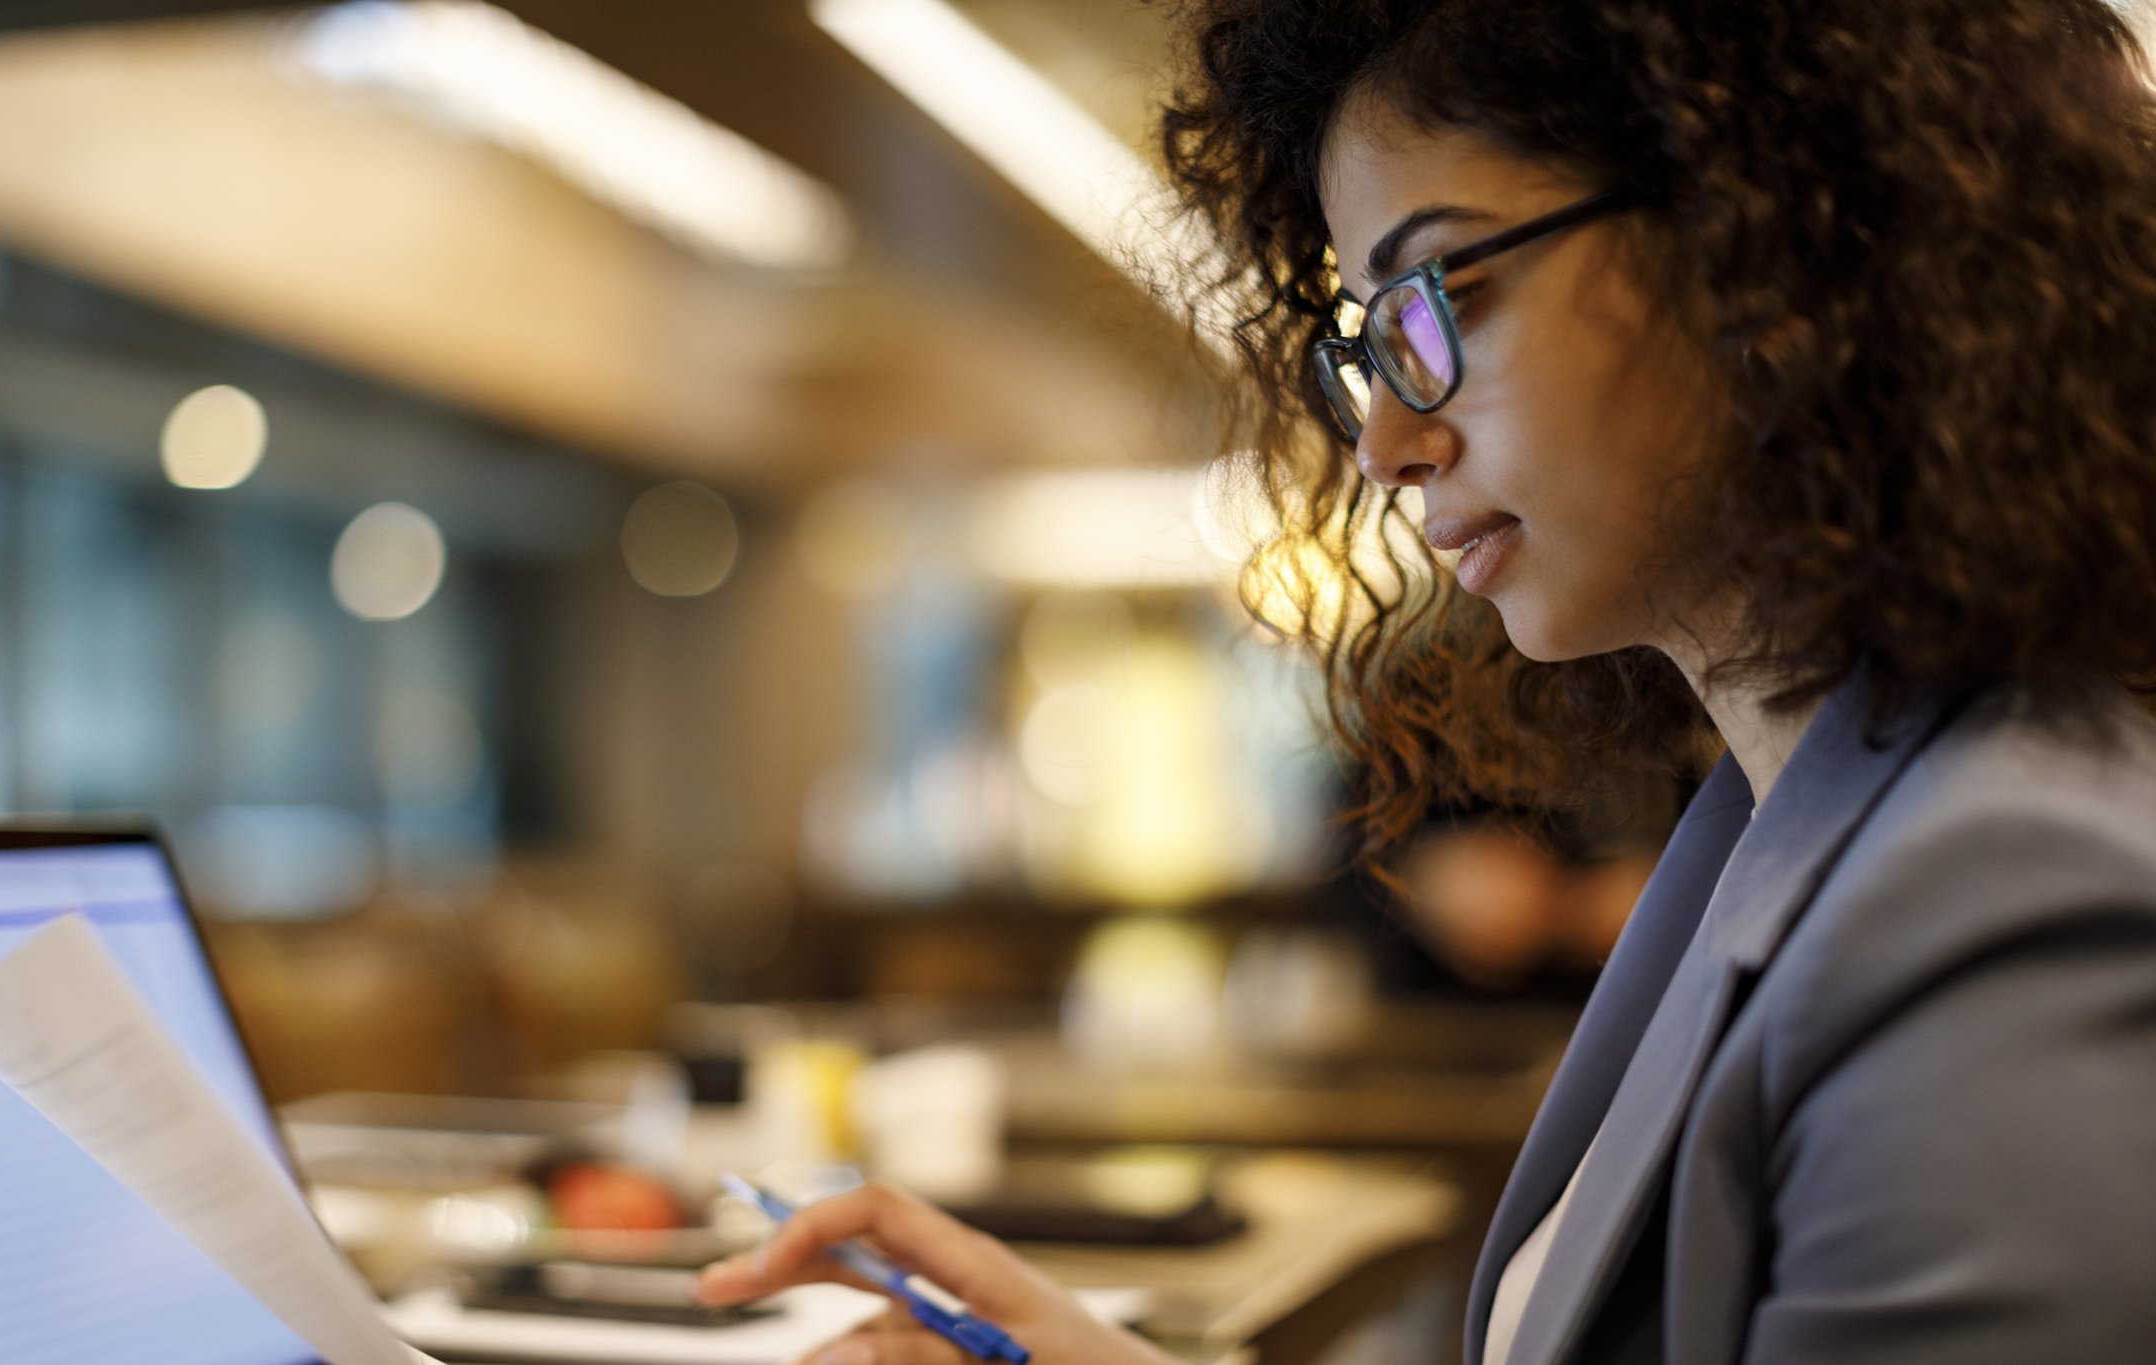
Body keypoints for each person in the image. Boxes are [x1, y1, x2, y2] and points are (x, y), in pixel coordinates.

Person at [698, 0, 2156, 1360]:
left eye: (1437, 293)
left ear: (1763, 238)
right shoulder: (1782, 816)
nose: (1386, 442)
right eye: (1367, 342)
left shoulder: (2011, 902)